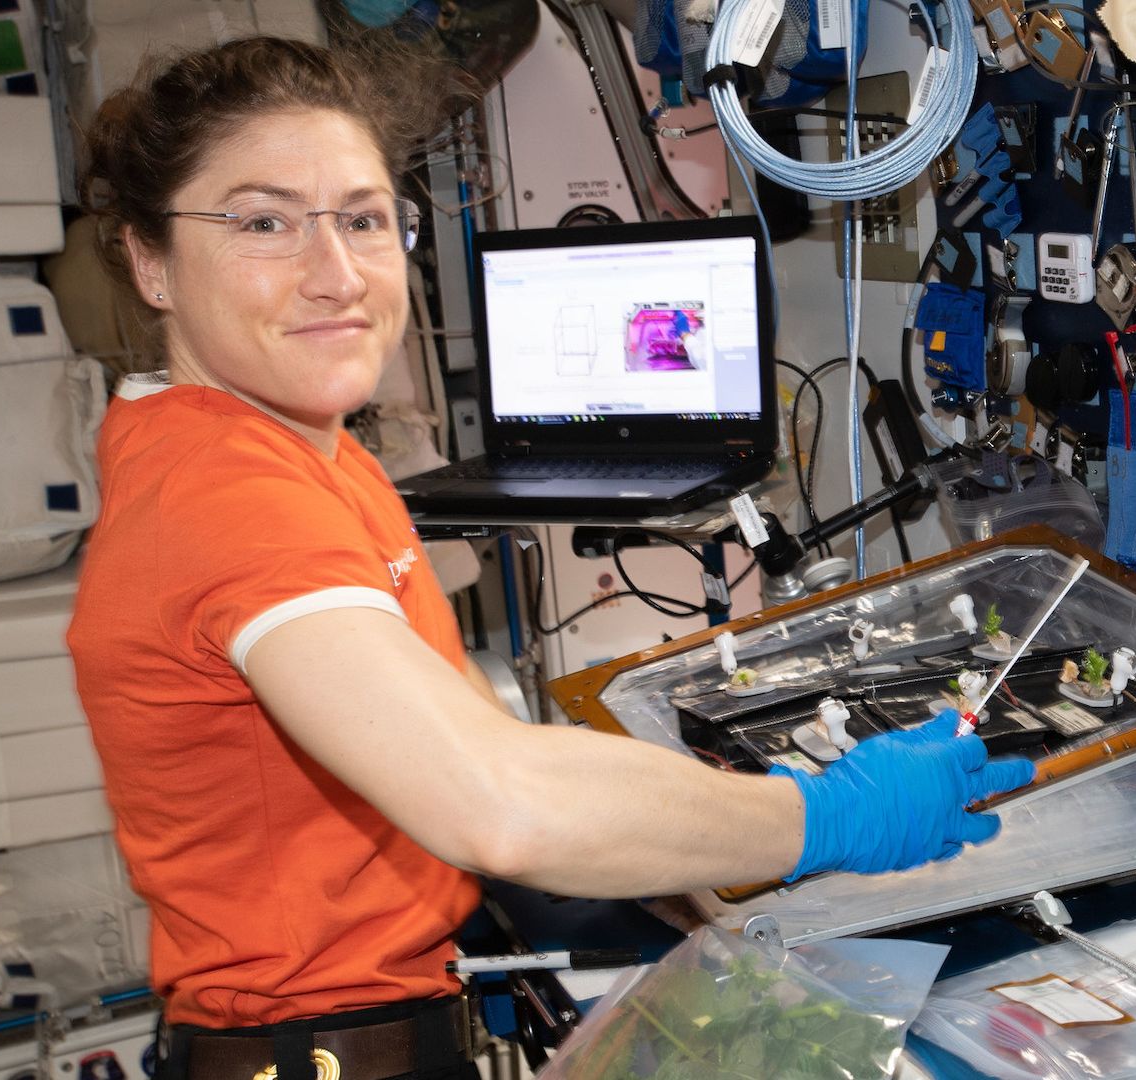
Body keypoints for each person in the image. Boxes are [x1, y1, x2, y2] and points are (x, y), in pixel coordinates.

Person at [64, 35, 1033, 1080]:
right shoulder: (228, 495)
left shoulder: (289, 445)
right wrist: (829, 816)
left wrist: (676, 856)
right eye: (262, 222)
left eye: (362, 217)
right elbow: (501, 803)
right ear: (149, 260)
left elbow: (462, 743)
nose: (335, 275)